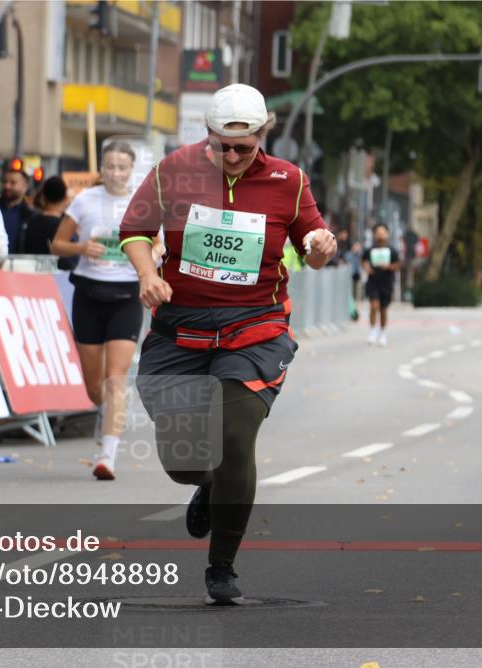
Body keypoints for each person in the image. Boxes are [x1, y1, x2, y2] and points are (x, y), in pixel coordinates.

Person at [118, 83, 336, 604]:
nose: (233, 157)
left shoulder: (290, 179)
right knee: (185, 460)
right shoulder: (174, 170)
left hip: (254, 329)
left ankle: (222, 565)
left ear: (264, 135)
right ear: (208, 136)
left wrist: (321, 245)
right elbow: (133, 229)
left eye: (245, 147)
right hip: (180, 329)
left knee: (235, 439)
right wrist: (148, 273)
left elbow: (315, 243)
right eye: (223, 146)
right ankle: (209, 484)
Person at [52, 142, 153, 481]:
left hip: (126, 295)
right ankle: (101, 410)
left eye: (122, 167)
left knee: (116, 378)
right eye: (109, 167)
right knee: (93, 384)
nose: (115, 173)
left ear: (131, 169)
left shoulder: (143, 204)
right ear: (102, 168)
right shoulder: (84, 200)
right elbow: (57, 244)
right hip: (89, 293)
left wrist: (148, 256)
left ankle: (107, 456)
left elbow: (161, 245)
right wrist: (82, 247)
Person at [361, 223, 400, 347]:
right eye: (378, 233)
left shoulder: (392, 250)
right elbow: (363, 261)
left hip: (386, 282)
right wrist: (367, 268)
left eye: (382, 232)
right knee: (374, 306)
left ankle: (382, 333)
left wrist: (389, 266)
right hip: (373, 281)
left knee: (383, 309)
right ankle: (373, 331)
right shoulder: (370, 249)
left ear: (387, 234)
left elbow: (397, 265)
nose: (380, 235)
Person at [0, 167, 36, 254]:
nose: (7, 186)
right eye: (5, 182)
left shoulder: (30, 215)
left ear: (24, 187)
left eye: (13, 183)